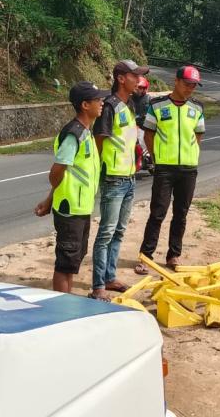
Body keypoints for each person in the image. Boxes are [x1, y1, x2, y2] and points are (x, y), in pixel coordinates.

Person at [34, 81, 105, 294]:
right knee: (65, 261)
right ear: (85, 105)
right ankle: (61, 305)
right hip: (71, 208)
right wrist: (53, 199)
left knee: (73, 260)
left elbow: (67, 175)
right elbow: (56, 173)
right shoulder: (74, 135)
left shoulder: (86, 132)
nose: (102, 103)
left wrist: (48, 201)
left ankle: (68, 299)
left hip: (81, 207)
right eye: (97, 100)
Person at [135, 66, 205, 273]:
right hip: (165, 168)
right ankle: (145, 256)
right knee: (158, 212)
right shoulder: (157, 105)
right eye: (187, 84)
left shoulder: (197, 108)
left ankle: (174, 255)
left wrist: (191, 154)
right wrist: (157, 159)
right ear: (176, 81)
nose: (190, 88)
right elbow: (148, 134)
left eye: (194, 85)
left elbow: (198, 135)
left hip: (189, 169)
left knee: (181, 213)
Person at [90, 59, 150, 300]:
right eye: (134, 76)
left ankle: (110, 276)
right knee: (106, 232)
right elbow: (99, 142)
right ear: (121, 78)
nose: (138, 80)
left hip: (129, 177)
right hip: (113, 178)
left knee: (119, 231)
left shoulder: (130, 105)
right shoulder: (109, 107)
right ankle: (98, 286)